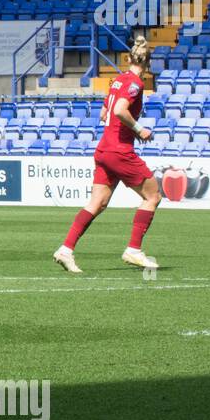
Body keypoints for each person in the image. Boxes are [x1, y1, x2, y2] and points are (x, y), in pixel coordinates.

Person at [54, 37, 161, 274]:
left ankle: (66, 249)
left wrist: (116, 123)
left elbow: (104, 112)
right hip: (119, 151)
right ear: (148, 63)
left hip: (103, 149)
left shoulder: (117, 81)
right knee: (153, 196)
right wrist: (138, 129)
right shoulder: (134, 84)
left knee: (97, 203)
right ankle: (133, 249)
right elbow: (119, 110)